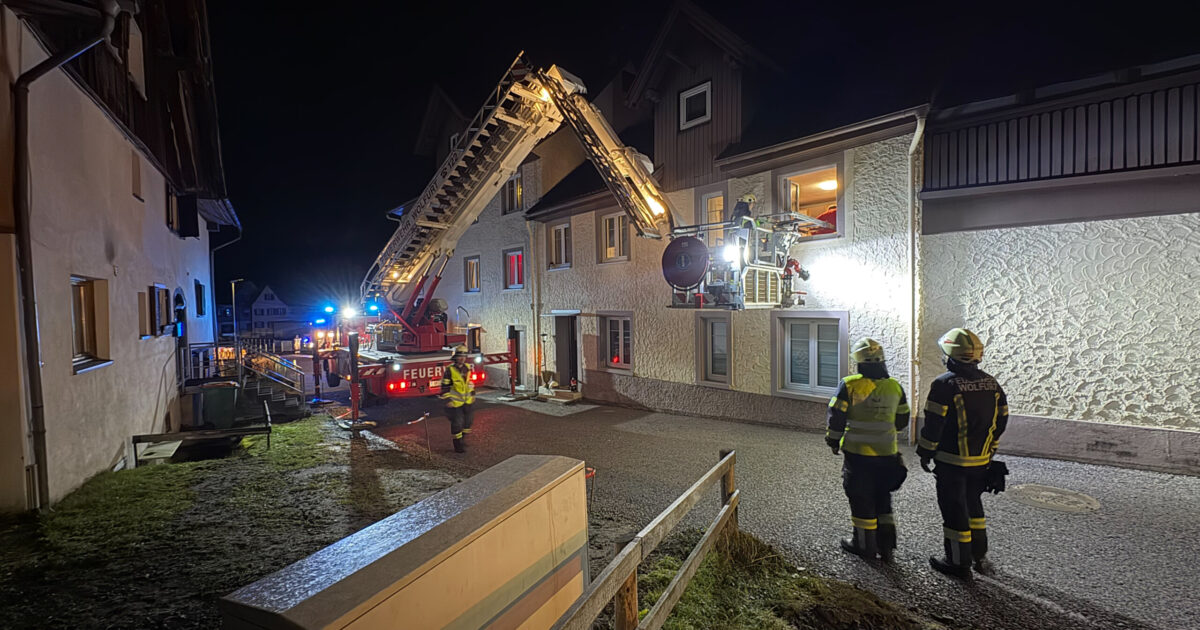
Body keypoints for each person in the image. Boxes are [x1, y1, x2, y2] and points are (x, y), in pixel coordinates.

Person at [917, 328, 1009, 577]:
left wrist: (925, 451)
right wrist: (989, 451)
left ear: (951, 357)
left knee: (954, 510)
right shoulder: (992, 383)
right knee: (974, 507)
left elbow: (934, 424)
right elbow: (1001, 421)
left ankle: (958, 563)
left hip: (951, 462)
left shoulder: (944, 384)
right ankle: (979, 556)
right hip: (980, 462)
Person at [826, 337, 910, 561]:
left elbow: (837, 417)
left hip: (858, 455)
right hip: (888, 454)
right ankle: (887, 546)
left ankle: (864, 546)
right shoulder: (894, 386)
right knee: (883, 498)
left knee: (861, 498)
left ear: (859, 362)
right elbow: (903, 420)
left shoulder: (850, 384)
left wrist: (833, 441)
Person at [440, 345, 476, 453]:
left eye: (464, 356)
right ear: (455, 357)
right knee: (457, 424)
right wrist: (447, 400)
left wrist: (472, 394)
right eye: (460, 356)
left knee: (468, 423)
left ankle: (462, 440)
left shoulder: (467, 368)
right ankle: (458, 445)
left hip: (467, 401)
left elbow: (469, 383)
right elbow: (445, 386)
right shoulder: (449, 370)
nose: (462, 358)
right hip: (455, 403)